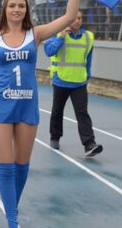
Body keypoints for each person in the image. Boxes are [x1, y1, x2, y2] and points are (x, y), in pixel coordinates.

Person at [0, 0, 83, 228]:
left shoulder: (34, 35)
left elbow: (69, 15)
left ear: (26, 10)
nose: (16, 10)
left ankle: (11, 208)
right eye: (12, 6)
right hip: (0, 108)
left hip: (27, 107)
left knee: (22, 168)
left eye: (21, 6)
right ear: (5, 9)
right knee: (6, 166)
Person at [44, 11, 103, 157]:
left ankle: (89, 144)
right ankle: (55, 137)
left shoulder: (88, 37)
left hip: (79, 82)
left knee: (82, 113)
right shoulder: (57, 33)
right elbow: (48, 51)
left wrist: (87, 76)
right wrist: (62, 37)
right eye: (74, 18)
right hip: (61, 80)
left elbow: (88, 59)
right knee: (57, 111)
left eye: (80, 18)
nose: (77, 21)